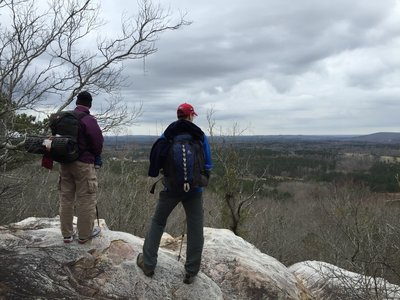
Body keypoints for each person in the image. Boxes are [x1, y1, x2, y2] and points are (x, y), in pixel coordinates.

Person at [137, 102, 212, 284]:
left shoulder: (168, 134)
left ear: (178, 116)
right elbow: (208, 163)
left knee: (158, 222)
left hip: (171, 188)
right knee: (195, 227)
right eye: (193, 115)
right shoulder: (199, 135)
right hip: (194, 189)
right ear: (190, 115)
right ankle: (191, 271)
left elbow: (157, 159)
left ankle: (148, 264)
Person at [59, 91, 104, 244]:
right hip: (83, 164)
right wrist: (96, 157)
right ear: (89, 104)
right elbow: (97, 142)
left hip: (65, 163)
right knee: (85, 200)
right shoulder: (88, 120)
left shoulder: (66, 117)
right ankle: (84, 236)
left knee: (66, 198)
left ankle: (66, 235)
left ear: (77, 102)